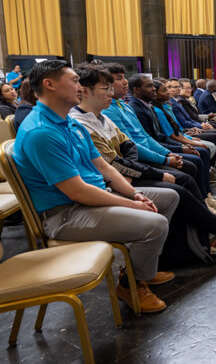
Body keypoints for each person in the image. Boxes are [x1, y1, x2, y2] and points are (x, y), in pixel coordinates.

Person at [13, 60, 180, 312]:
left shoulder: (70, 123)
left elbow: (104, 167)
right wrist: (131, 203)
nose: (80, 87)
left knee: (168, 198)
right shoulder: (41, 132)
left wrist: (134, 193)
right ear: (49, 84)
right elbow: (77, 191)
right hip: (66, 214)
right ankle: (131, 283)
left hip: (95, 198)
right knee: (155, 224)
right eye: (74, 81)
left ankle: (141, 268)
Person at [69, 66, 216, 260]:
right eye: (106, 88)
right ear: (85, 90)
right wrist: (157, 168)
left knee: (184, 178)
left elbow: (130, 145)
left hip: (125, 174)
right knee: (179, 185)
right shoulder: (80, 122)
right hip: (114, 183)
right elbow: (111, 163)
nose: (112, 91)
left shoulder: (102, 117)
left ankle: (209, 236)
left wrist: (155, 159)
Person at [101, 64, 216, 215]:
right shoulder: (121, 109)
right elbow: (132, 146)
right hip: (138, 160)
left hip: (150, 150)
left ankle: (206, 200)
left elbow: (146, 136)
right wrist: (167, 157)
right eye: (164, 88)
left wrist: (168, 153)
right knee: (189, 169)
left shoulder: (126, 107)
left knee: (200, 154)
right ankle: (204, 207)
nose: (125, 82)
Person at [126, 74, 214, 201]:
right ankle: (204, 198)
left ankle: (206, 195)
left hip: (161, 145)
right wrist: (172, 153)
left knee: (202, 150)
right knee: (194, 161)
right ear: (137, 89)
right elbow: (148, 140)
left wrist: (182, 144)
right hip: (149, 153)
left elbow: (159, 135)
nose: (171, 91)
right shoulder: (138, 108)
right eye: (166, 89)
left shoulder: (150, 107)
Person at [167, 78, 216, 166]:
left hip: (193, 125)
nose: (176, 89)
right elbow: (184, 122)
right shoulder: (177, 102)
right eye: (172, 87)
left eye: (177, 87)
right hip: (189, 129)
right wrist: (200, 126)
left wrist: (203, 122)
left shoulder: (178, 101)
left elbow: (192, 118)